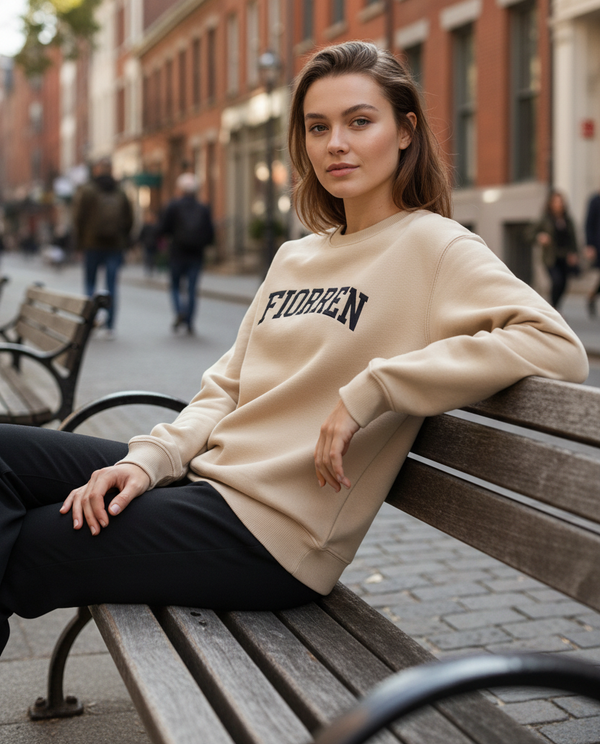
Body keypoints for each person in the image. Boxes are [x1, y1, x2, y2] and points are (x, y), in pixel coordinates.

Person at [0, 42, 588, 655]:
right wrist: (147, 461)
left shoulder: (435, 247)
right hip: (207, 483)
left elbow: (556, 345)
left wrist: (376, 389)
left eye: (360, 121)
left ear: (406, 130)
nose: (336, 142)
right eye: (318, 127)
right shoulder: (296, 255)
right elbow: (225, 389)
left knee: (32, 544)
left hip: (268, 536)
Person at [72, 158, 134, 339]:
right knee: (111, 286)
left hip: (91, 244)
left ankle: (89, 321)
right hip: (115, 246)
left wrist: (79, 244)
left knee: (90, 284)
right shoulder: (121, 192)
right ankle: (110, 326)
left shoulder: (88, 190)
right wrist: (125, 239)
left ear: (97, 170)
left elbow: (78, 218)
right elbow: (130, 219)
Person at [158, 173, 214, 334]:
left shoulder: (173, 206)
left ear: (180, 190)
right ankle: (189, 321)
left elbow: (163, 228)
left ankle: (180, 311)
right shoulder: (203, 208)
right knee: (191, 288)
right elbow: (210, 233)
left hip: (178, 252)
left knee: (175, 285)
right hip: (196, 254)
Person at [533, 189, 579, 311]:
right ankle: (553, 309)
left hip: (564, 257)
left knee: (564, 284)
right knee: (557, 281)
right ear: (551, 204)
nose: (558, 205)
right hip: (550, 258)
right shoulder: (545, 219)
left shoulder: (567, 220)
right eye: (556, 202)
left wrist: (574, 253)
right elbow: (529, 233)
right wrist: (539, 237)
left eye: (560, 202)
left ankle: (555, 308)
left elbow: (573, 238)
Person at [584, 189, 600, 318]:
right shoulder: (595, 200)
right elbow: (589, 224)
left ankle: (592, 295)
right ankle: (592, 296)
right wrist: (589, 245)